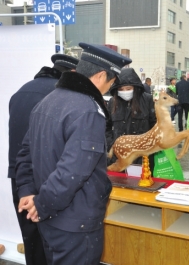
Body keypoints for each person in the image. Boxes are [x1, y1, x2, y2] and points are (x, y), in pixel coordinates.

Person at [15, 43, 132, 265]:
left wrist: (29, 193)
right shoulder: (88, 110)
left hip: (51, 220)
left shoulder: (47, 101)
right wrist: (41, 205)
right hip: (75, 223)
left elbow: (24, 155)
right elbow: (73, 172)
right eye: (111, 82)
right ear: (99, 76)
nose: (110, 88)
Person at [8, 53, 79, 265]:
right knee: (52, 246)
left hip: (19, 177)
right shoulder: (60, 95)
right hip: (46, 179)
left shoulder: (21, 91)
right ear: (73, 73)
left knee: (31, 241)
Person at [106, 67, 156, 165]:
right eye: (121, 89)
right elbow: (105, 127)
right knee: (118, 180)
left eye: (128, 89)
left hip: (142, 157)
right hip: (118, 156)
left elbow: (155, 125)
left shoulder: (147, 99)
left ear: (135, 87)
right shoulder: (113, 102)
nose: (125, 92)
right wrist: (112, 145)